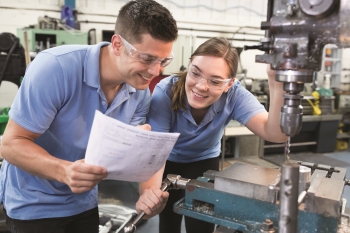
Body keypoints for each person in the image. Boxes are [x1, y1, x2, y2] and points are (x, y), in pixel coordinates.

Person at [0, 0, 177, 232]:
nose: (155, 72)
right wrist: (64, 171)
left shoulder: (138, 92)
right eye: (146, 58)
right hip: (35, 204)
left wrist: (148, 192)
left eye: (163, 61)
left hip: (84, 202)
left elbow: (135, 154)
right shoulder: (55, 68)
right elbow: (10, 145)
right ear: (117, 44)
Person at [138, 37, 287, 233]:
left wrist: (277, 84)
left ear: (229, 84)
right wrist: (149, 195)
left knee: (202, 224)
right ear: (189, 65)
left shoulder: (234, 95)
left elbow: (275, 133)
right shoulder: (166, 91)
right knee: (168, 223)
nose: (201, 86)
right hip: (167, 161)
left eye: (215, 81)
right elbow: (156, 149)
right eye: (195, 73)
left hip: (204, 162)